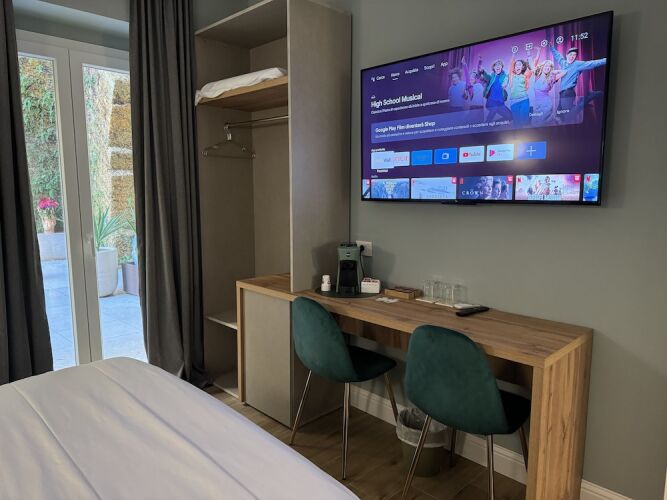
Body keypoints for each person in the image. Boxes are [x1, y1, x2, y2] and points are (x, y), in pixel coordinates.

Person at [549, 45, 606, 123]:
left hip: (568, 92)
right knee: (560, 117)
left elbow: (592, 63)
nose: (572, 57)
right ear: (566, 55)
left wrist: (605, 60)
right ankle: (584, 99)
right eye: (570, 54)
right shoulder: (563, 63)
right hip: (562, 93)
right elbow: (557, 55)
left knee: (568, 116)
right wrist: (551, 47)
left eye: (574, 55)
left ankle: (590, 96)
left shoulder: (577, 64)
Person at [532, 50, 566, 125]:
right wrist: (533, 53)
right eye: (546, 66)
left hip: (546, 104)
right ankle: (554, 118)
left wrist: (554, 71)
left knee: (541, 124)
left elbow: (564, 72)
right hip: (537, 104)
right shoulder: (537, 76)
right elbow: (532, 65)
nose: (547, 68)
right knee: (536, 123)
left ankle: (553, 118)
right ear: (542, 67)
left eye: (549, 67)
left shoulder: (551, 78)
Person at [477, 56, 513, 122]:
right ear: (493, 68)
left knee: (510, 116)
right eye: (496, 65)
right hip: (491, 101)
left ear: (502, 67)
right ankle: (486, 124)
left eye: (499, 65)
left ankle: (494, 124)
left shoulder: (505, 76)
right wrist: (483, 71)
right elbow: (486, 76)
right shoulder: (492, 77)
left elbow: (508, 78)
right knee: (494, 109)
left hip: (500, 103)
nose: (498, 66)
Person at [504, 51, 533, 127]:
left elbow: (531, 68)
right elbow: (511, 64)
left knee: (524, 122)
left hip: (524, 100)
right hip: (514, 101)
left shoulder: (525, 75)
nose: (517, 66)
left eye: (519, 65)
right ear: (514, 67)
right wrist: (513, 54)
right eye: (516, 65)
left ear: (522, 67)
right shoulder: (511, 75)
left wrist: (529, 55)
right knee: (517, 124)